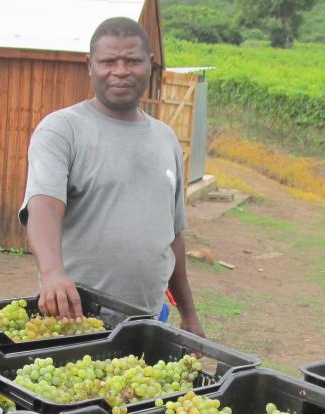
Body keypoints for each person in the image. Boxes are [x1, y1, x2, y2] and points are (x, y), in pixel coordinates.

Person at [18, 17, 204, 337]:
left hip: (150, 321)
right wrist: (51, 273)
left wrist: (189, 314)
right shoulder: (63, 130)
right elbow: (44, 205)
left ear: (150, 64)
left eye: (132, 60)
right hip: (77, 320)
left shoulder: (166, 139)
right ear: (90, 65)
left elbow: (171, 235)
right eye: (108, 61)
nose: (120, 71)